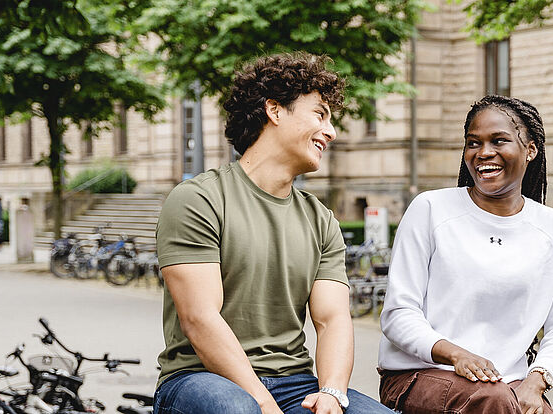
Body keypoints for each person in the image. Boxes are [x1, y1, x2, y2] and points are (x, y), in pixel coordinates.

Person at [153, 53, 392, 414]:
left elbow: (332, 319)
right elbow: (200, 318)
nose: (331, 131)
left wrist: (331, 392)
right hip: (200, 378)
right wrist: (261, 401)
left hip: (295, 382)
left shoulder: (320, 219)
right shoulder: (198, 199)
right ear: (275, 111)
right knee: (238, 409)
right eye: (320, 114)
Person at [377, 95, 553, 414]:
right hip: (420, 374)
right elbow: (398, 314)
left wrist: (537, 379)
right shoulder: (431, 209)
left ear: (531, 150)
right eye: (473, 143)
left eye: (499, 140)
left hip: (507, 382)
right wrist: (457, 355)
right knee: (495, 400)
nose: (484, 153)